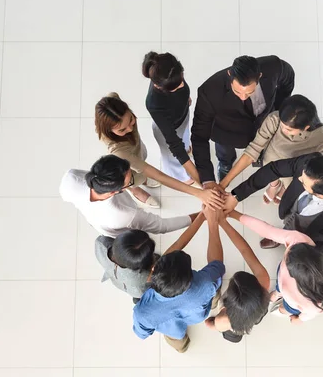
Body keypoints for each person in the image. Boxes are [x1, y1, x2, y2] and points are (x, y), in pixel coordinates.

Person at [95, 93, 223, 209]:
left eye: (131, 120)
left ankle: (142, 180)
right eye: (122, 130)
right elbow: (159, 175)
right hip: (126, 163)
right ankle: (134, 190)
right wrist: (200, 193)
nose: (129, 128)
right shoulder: (119, 152)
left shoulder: (113, 100)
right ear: (109, 131)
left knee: (142, 157)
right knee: (131, 178)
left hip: (136, 149)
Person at [132, 205, 225, 353]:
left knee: (178, 342)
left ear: (153, 270)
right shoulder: (205, 284)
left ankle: (183, 348)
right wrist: (210, 223)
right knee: (214, 293)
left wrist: (202, 216)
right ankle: (214, 304)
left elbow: (142, 333)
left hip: (173, 331)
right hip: (199, 309)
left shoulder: (142, 313)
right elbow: (217, 266)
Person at [223, 153, 323, 254]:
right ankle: (280, 236)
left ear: (321, 194)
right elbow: (273, 169)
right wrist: (236, 196)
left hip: (306, 239)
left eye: (303, 183)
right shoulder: (309, 163)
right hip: (288, 210)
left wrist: (300, 249)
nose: (298, 178)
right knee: (287, 224)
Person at [191, 55, 295, 186]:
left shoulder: (273, 66)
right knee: (225, 154)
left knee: (264, 147)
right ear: (230, 75)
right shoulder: (209, 90)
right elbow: (199, 136)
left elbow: (288, 78)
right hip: (226, 132)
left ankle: (259, 158)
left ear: (260, 76)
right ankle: (225, 166)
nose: (243, 97)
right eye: (237, 91)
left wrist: (280, 108)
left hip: (260, 126)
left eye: (249, 92)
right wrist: (207, 179)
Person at [226, 210, 323, 323]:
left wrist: (298, 319)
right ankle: (277, 293)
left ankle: (283, 308)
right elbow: (267, 230)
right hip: (282, 280)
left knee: (286, 309)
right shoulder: (298, 241)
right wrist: (233, 214)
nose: (286, 250)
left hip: (292, 303)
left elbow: (307, 315)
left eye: (286, 257)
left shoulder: (313, 304)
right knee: (279, 285)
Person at [219, 94, 323, 204]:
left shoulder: (321, 138)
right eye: (282, 125)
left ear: (305, 127)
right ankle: (274, 185)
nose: (283, 130)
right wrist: (223, 184)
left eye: (289, 129)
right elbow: (252, 150)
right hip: (271, 161)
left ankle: (284, 188)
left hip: (293, 171)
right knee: (269, 174)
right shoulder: (274, 119)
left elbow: (314, 164)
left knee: (290, 189)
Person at [60, 155, 198, 238]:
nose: (134, 178)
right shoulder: (124, 213)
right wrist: (201, 214)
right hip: (118, 232)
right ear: (114, 191)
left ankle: (136, 192)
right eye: (131, 181)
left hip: (96, 220)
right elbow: (163, 226)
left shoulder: (71, 179)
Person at [204, 212, 270, 342]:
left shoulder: (224, 321)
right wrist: (223, 222)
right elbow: (245, 251)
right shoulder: (263, 283)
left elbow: (210, 325)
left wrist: (213, 224)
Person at [142, 52, 198, 185]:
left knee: (185, 136)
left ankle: (186, 152)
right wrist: (199, 178)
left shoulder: (171, 72)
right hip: (167, 129)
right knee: (172, 156)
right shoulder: (154, 104)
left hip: (181, 116)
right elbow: (174, 143)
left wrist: (185, 98)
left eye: (181, 80)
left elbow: (180, 86)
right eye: (176, 88)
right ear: (158, 86)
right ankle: (181, 177)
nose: (182, 86)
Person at [95, 230, 157, 304]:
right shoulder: (144, 278)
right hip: (137, 290)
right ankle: (138, 299)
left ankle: (137, 299)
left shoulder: (101, 244)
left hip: (119, 282)